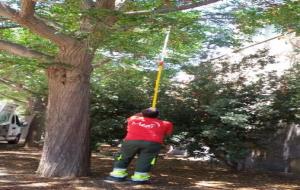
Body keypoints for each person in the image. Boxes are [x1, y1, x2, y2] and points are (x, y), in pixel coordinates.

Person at [105, 108, 173, 184]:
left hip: (131, 141)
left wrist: (143, 115)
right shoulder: (166, 123)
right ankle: (139, 179)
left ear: (142, 113)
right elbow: (168, 134)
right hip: (152, 143)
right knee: (146, 160)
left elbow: (133, 117)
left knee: (123, 157)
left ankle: (116, 176)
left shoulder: (133, 119)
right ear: (157, 115)